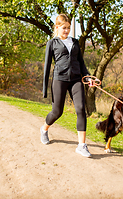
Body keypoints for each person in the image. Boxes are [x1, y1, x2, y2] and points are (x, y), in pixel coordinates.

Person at [40, 14, 93, 158]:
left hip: (76, 79)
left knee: (81, 109)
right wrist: (45, 89)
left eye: (69, 28)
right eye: (64, 28)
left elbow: (81, 63)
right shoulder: (52, 43)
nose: (67, 30)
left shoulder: (75, 42)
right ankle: (44, 129)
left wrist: (88, 77)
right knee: (57, 112)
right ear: (57, 27)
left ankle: (82, 145)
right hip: (60, 79)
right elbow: (47, 67)